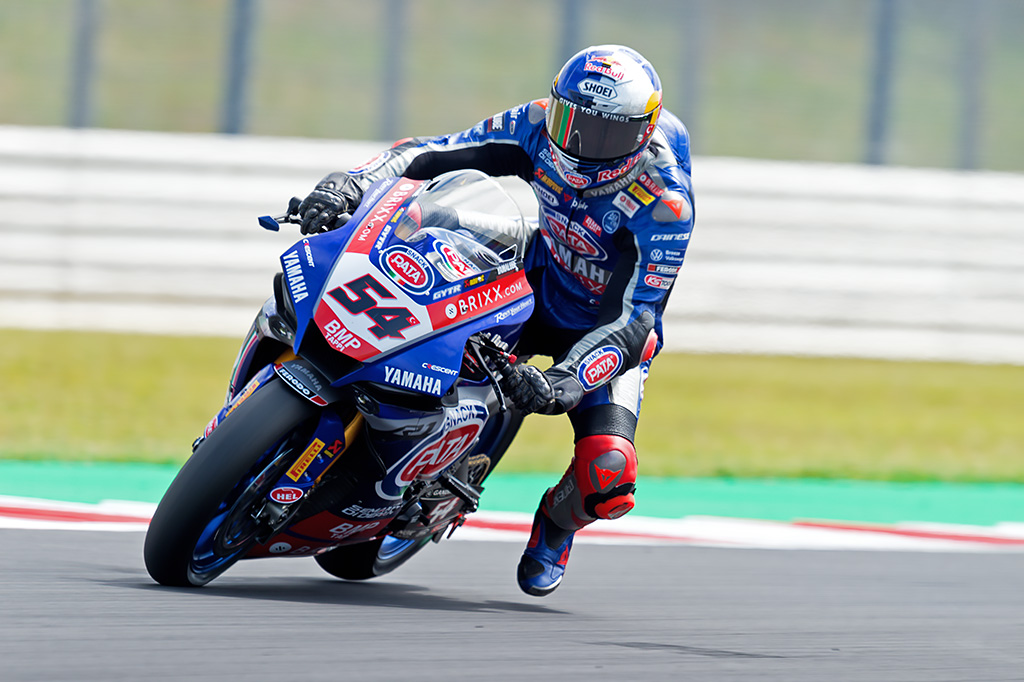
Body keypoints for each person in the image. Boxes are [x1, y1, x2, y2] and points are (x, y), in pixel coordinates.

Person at [297, 44, 694, 596]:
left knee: (608, 471)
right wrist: (350, 183)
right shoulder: (536, 123)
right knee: (421, 218)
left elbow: (637, 320)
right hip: (536, 274)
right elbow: (430, 153)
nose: (580, 144)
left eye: (605, 134)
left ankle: (556, 524)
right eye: (573, 121)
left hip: (600, 332)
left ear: (642, 135)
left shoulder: (665, 203)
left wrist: (563, 383)